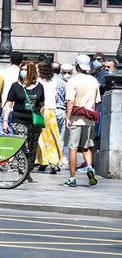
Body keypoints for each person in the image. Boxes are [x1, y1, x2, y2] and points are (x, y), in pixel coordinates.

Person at [2, 61, 45, 184]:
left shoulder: (39, 87)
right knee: (23, 146)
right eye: (22, 69)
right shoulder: (16, 86)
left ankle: (28, 170)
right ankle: (23, 172)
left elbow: (42, 105)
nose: (23, 72)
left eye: (26, 70)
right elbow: (9, 105)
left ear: (31, 71)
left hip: (34, 121)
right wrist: (5, 121)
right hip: (19, 120)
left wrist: (42, 118)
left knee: (32, 147)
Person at [64, 54, 101, 188]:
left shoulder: (73, 81)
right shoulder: (94, 81)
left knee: (73, 147)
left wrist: (68, 117)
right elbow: (97, 103)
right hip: (89, 118)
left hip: (76, 118)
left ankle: (72, 178)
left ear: (77, 66)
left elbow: (70, 101)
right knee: (86, 147)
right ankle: (90, 168)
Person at [35, 61, 64, 174]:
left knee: (41, 138)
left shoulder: (38, 82)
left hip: (42, 110)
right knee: (53, 137)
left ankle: (44, 160)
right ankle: (54, 161)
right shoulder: (54, 82)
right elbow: (56, 97)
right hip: (52, 111)